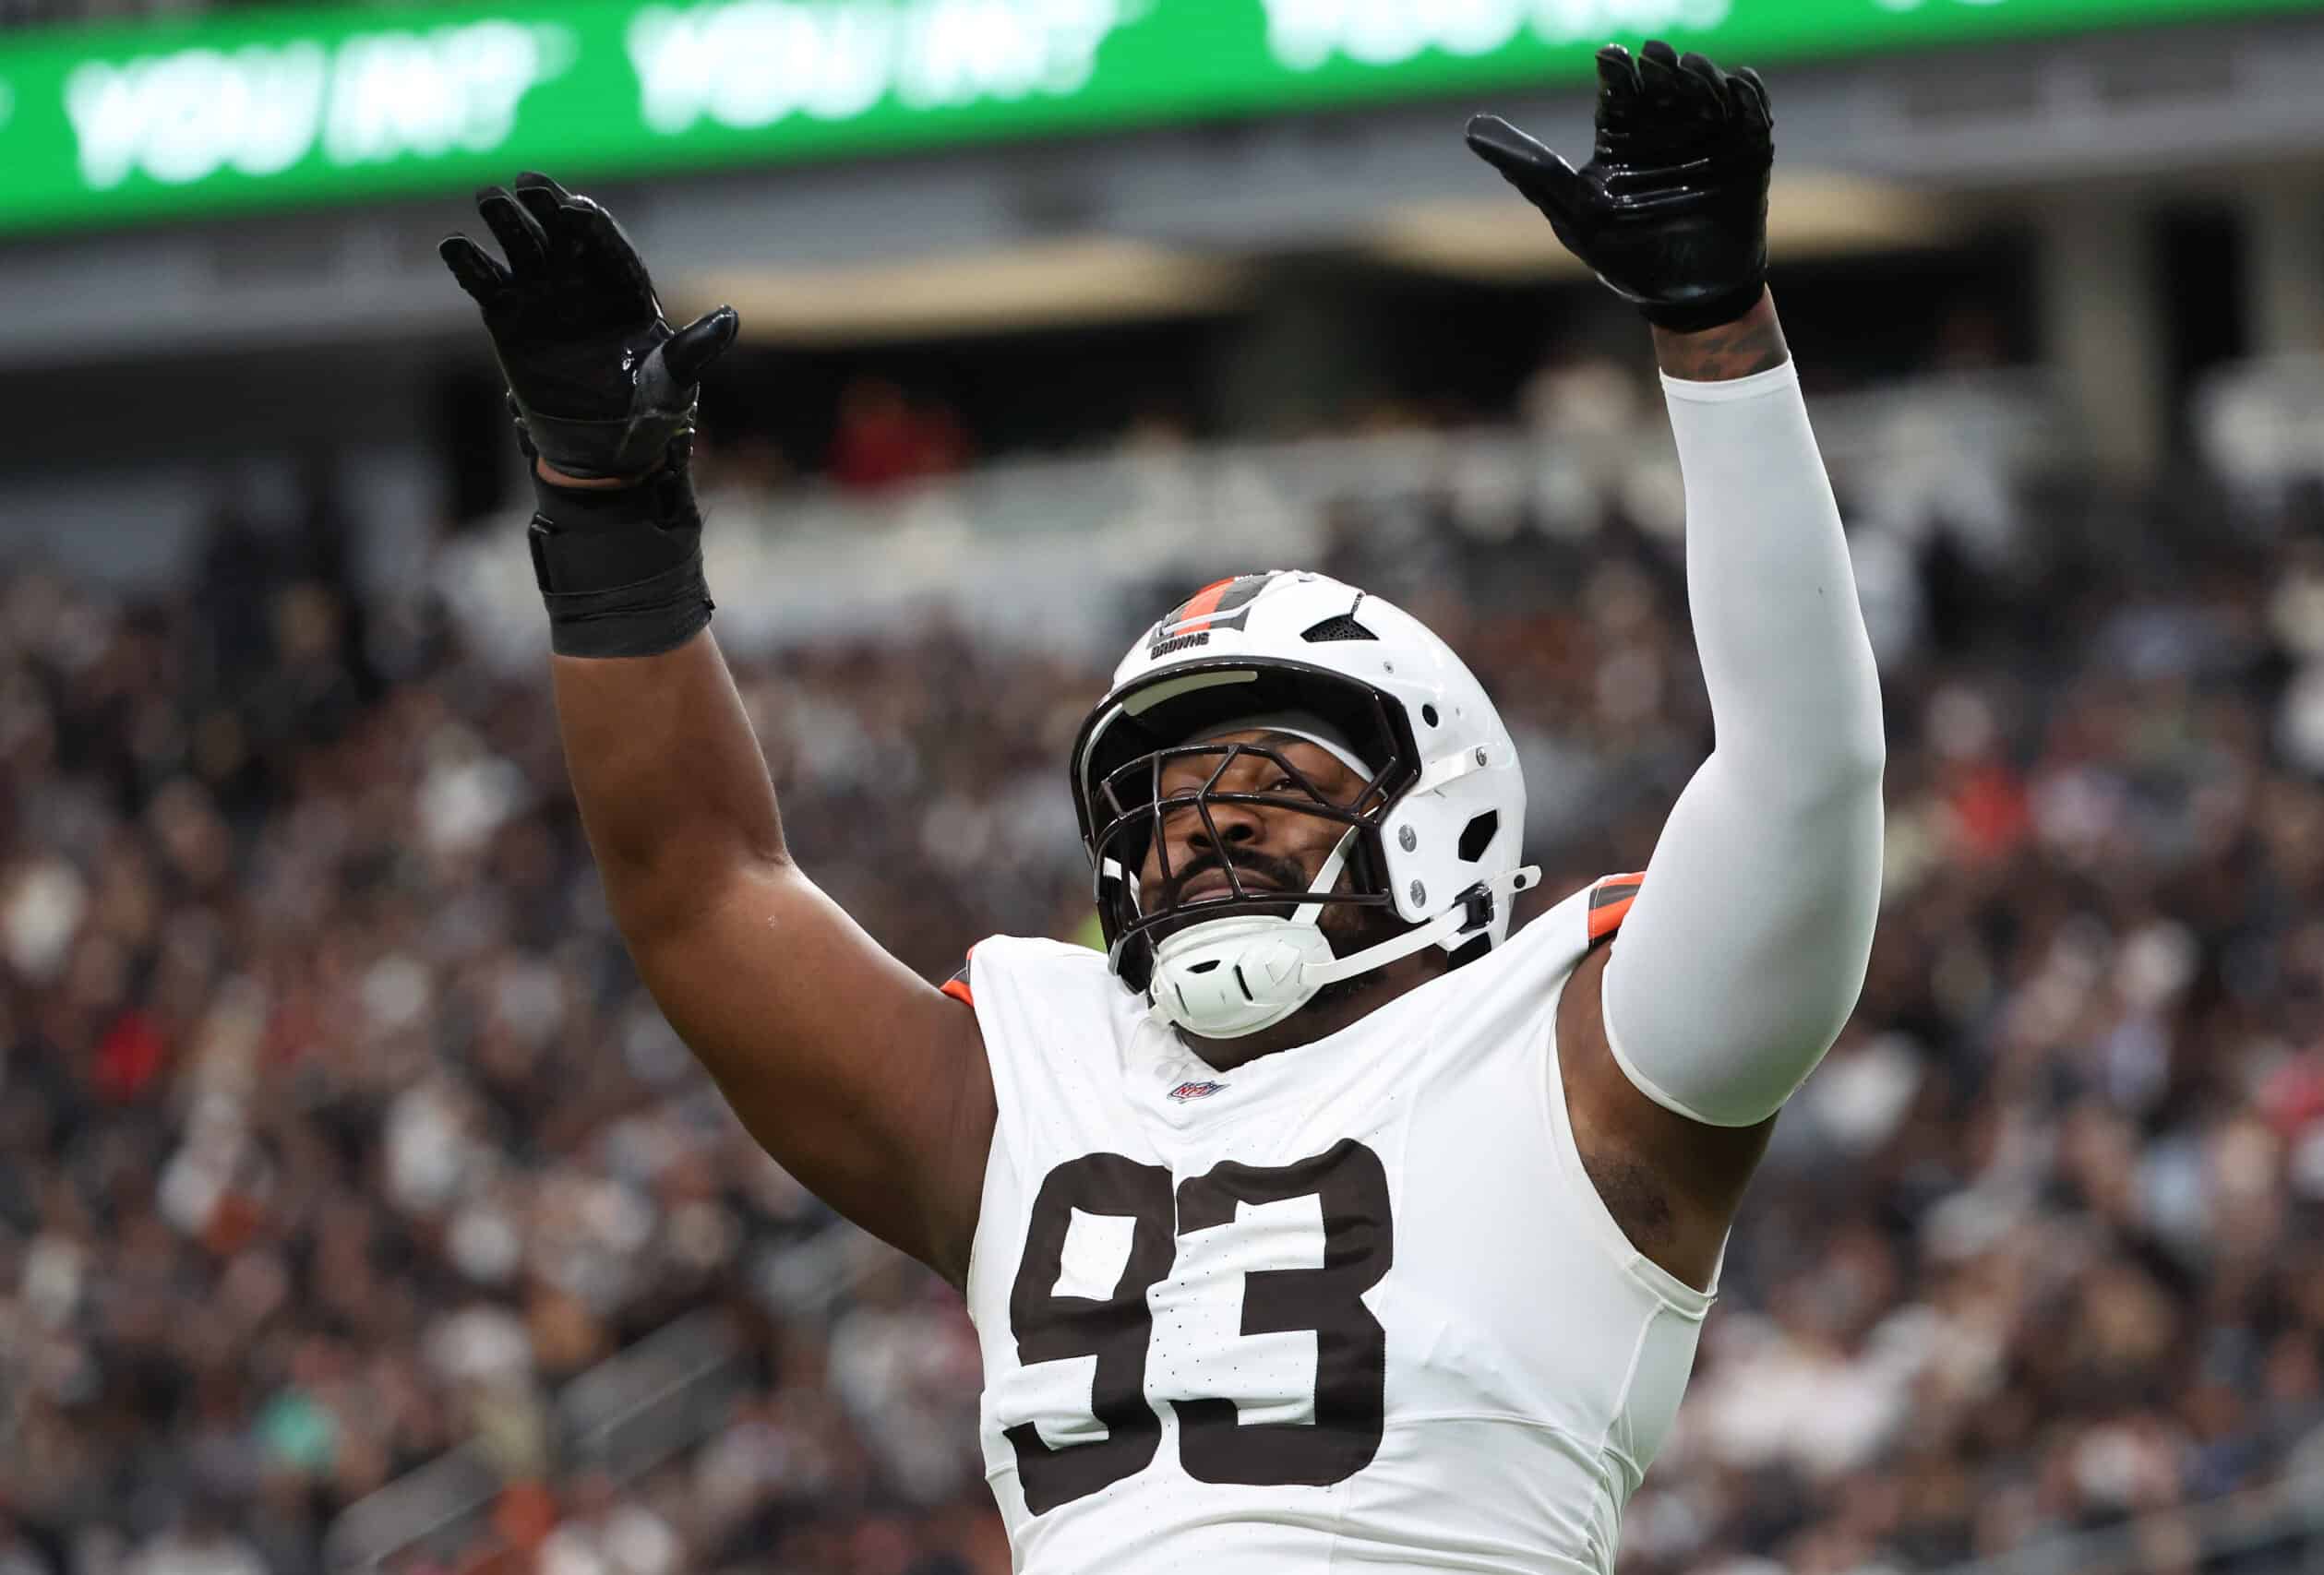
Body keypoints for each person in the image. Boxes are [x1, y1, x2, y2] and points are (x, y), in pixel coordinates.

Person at [438, 41, 1884, 1575]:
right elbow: (704, 891)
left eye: (1268, 780)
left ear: (1442, 807)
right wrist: (606, 510)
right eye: (1165, 798)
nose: (1198, 826)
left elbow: (1806, 784)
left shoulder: (1574, 1053)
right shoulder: (1032, 1082)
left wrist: (1716, 333)